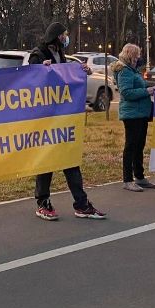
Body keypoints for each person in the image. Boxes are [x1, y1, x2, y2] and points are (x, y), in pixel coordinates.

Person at [29, 21, 106, 220]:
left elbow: (65, 76)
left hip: (62, 117)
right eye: (63, 35)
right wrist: (40, 68)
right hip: (46, 118)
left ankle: (81, 204)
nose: (66, 38)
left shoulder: (60, 55)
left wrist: (81, 71)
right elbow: (32, 77)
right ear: (55, 36)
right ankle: (42, 202)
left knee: (70, 159)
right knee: (46, 161)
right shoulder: (39, 54)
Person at [112, 43, 155, 192]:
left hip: (141, 113)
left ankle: (139, 176)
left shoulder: (134, 71)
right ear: (131, 55)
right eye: (137, 55)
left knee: (139, 145)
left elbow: (140, 86)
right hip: (132, 114)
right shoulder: (124, 71)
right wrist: (147, 91)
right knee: (131, 146)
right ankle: (127, 179)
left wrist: (151, 88)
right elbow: (127, 93)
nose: (139, 57)